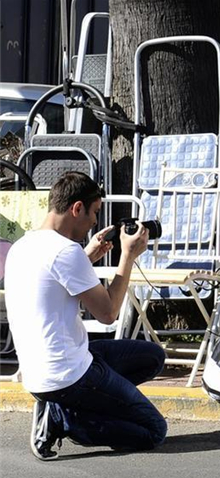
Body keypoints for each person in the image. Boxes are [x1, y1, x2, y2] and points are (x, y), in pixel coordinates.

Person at [5, 172, 166, 460]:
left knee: (152, 356)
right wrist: (127, 256)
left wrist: (88, 257)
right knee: (154, 430)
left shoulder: (23, 246)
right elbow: (108, 313)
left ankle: (66, 405)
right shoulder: (66, 252)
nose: (95, 222)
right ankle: (66, 419)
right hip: (69, 376)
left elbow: (50, 283)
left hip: (40, 372)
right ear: (76, 208)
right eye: (94, 212)